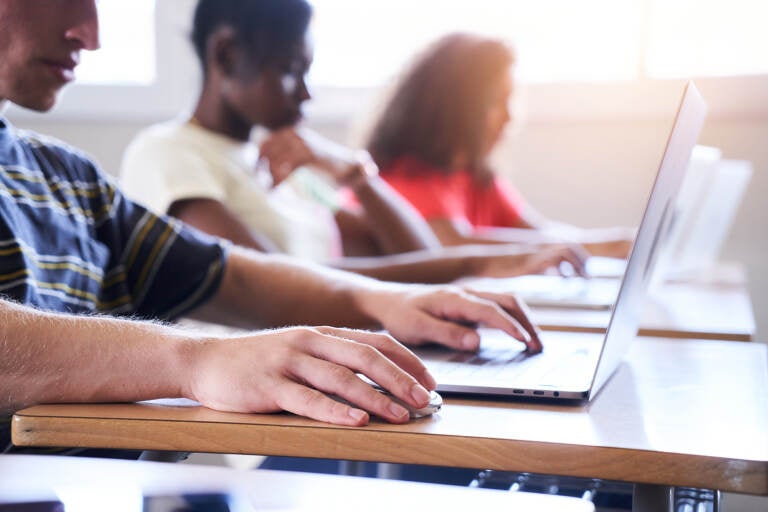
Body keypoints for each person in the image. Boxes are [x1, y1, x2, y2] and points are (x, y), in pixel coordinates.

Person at [0, 0, 544, 451]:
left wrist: (383, 299)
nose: (89, 34)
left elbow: (230, 275)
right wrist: (196, 362)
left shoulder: (66, 177)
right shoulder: (169, 153)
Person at [119, 0, 588, 283]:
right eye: (289, 70)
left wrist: (354, 174)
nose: (305, 94)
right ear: (225, 53)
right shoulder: (167, 154)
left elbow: (416, 253)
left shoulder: (287, 165)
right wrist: (480, 266)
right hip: (248, 428)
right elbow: (272, 286)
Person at [365, 33, 635, 258]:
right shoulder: (398, 179)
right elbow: (450, 248)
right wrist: (595, 247)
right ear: (455, 106)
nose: (509, 117)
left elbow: (540, 232)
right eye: (497, 101)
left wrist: (616, 242)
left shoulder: (475, 179)